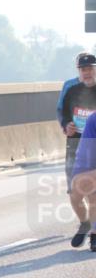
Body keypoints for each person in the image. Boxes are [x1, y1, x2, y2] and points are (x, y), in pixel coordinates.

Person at [62, 52, 96, 248]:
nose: (87, 72)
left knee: (93, 193)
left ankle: (94, 233)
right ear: (79, 72)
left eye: (90, 68)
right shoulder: (71, 89)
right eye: (83, 69)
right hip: (77, 144)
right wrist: (66, 124)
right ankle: (84, 223)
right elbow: (63, 111)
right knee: (74, 193)